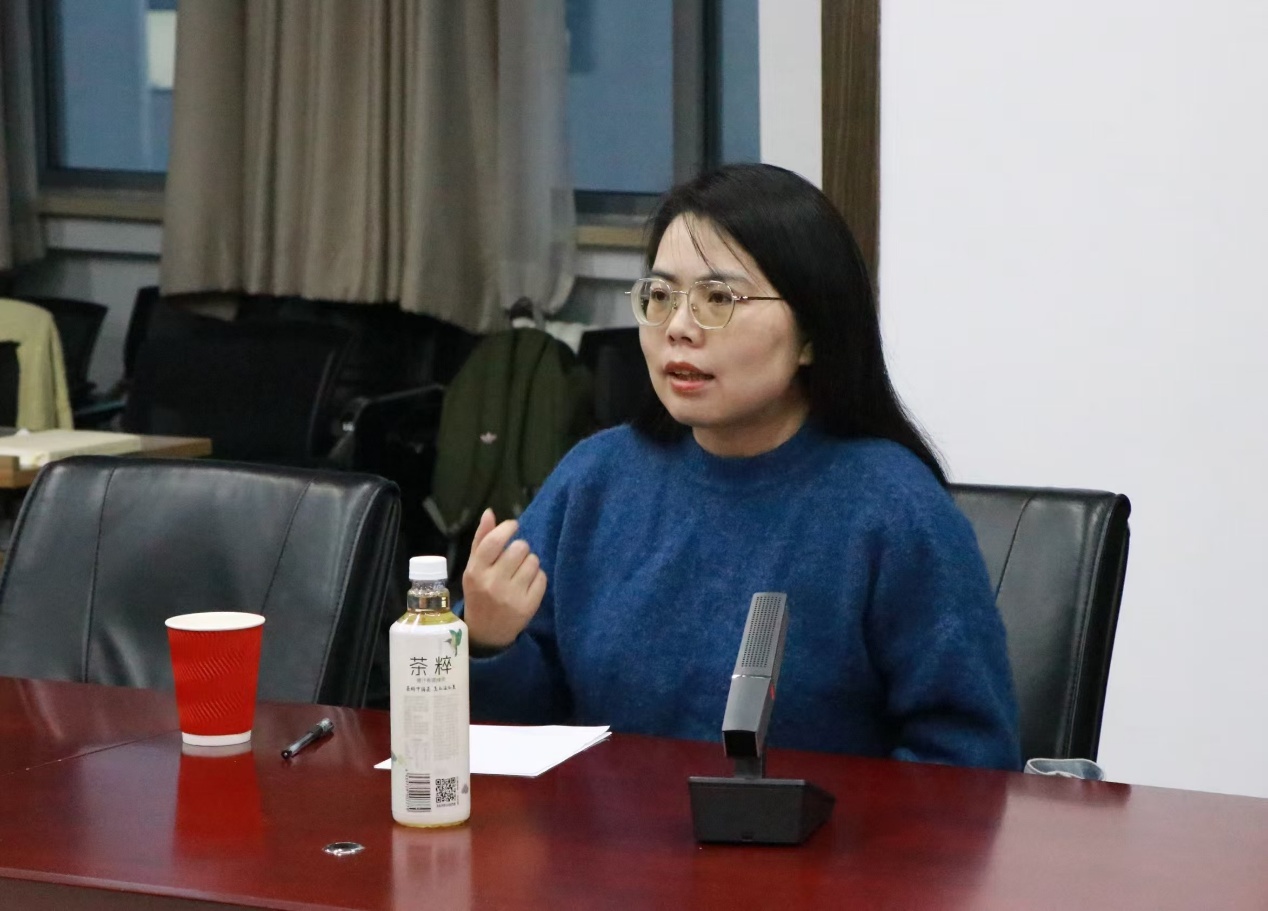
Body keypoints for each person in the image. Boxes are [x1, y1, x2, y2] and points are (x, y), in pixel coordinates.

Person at [459, 163, 1020, 770]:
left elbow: (969, 760)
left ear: (812, 333)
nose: (678, 328)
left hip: (815, 833)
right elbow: (529, 733)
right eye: (660, 297)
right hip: (601, 832)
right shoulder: (595, 478)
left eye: (719, 299)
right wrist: (490, 642)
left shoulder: (894, 510)